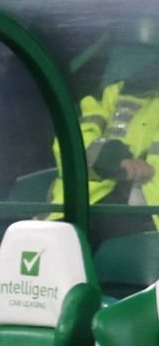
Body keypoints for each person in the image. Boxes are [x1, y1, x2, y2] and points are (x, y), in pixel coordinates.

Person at [50, 49, 159, 247]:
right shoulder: (117, 93)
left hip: (149, 230)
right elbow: (70, 140)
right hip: (85, 211)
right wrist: (112, 158)